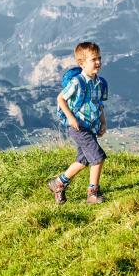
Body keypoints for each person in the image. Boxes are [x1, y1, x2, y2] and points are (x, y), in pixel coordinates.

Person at [48, 42, 108, 204]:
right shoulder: (77, 82)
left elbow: (99, 105)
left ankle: (58, 183)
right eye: (93, 59)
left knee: (83, 161)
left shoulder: (99, 83)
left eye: (99, 58)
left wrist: (103, 122)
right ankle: (92, 194)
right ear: (81, 63)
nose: (98, 62)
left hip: (91, 127)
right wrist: (71, 118)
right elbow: (60, 98)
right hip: (78, 128)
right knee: (98, 157)